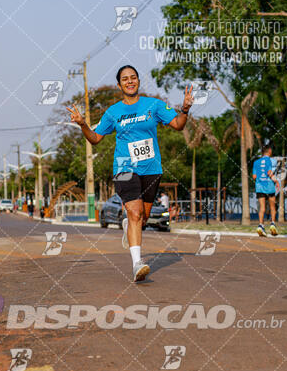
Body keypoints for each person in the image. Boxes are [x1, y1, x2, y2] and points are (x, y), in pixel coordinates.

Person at [67, 65, 193, 281]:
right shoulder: (113, 112)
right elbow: (95, 138)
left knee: (141, 218)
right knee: (135, 213)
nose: (130, 81)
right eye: (125, 79)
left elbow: (178, 125)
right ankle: (137, 264)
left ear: (138, 81)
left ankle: (128, 227)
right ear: (119, 85)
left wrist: (185, 109)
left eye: (133, 77)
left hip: (151, 169)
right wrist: (82, 125)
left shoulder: (153, 105)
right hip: (125, 168)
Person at [252, 145, 279, 237]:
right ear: (270, 151)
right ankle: (272, 224)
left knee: (262, 207)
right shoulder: (271, 161)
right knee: (272, 207)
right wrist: (276, 180)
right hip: (269, 186)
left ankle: (260, 226)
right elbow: (269, 172)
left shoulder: (256, 162)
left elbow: (254, 177)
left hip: (259, 187)